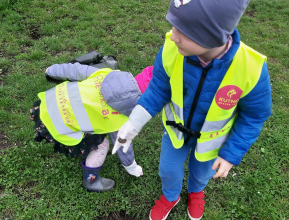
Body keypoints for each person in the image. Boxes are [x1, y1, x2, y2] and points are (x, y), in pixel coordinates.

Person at [112, 0, 272, 219]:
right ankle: (170, 195)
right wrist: (134, 122)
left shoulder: (251, 68)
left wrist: (231, 154)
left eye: (184, 31)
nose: (173, 35)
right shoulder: (172, 48)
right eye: (174, 25)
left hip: (212, 141)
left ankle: (196, 192)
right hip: (175, 132)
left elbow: (254, 115)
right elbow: (159, 87)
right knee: (168, 170)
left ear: (213, 36)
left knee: (201, 173)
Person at [30, 60, 153, 192]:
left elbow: (76, 70)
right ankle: (91, 180)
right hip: (60, 124)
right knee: (102, 145)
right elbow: (122, 144)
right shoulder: (121, 118)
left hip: (48, 106)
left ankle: (85, 146)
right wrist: (131, 166)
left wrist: (52, 70)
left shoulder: (107, 74)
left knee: (97, 125)